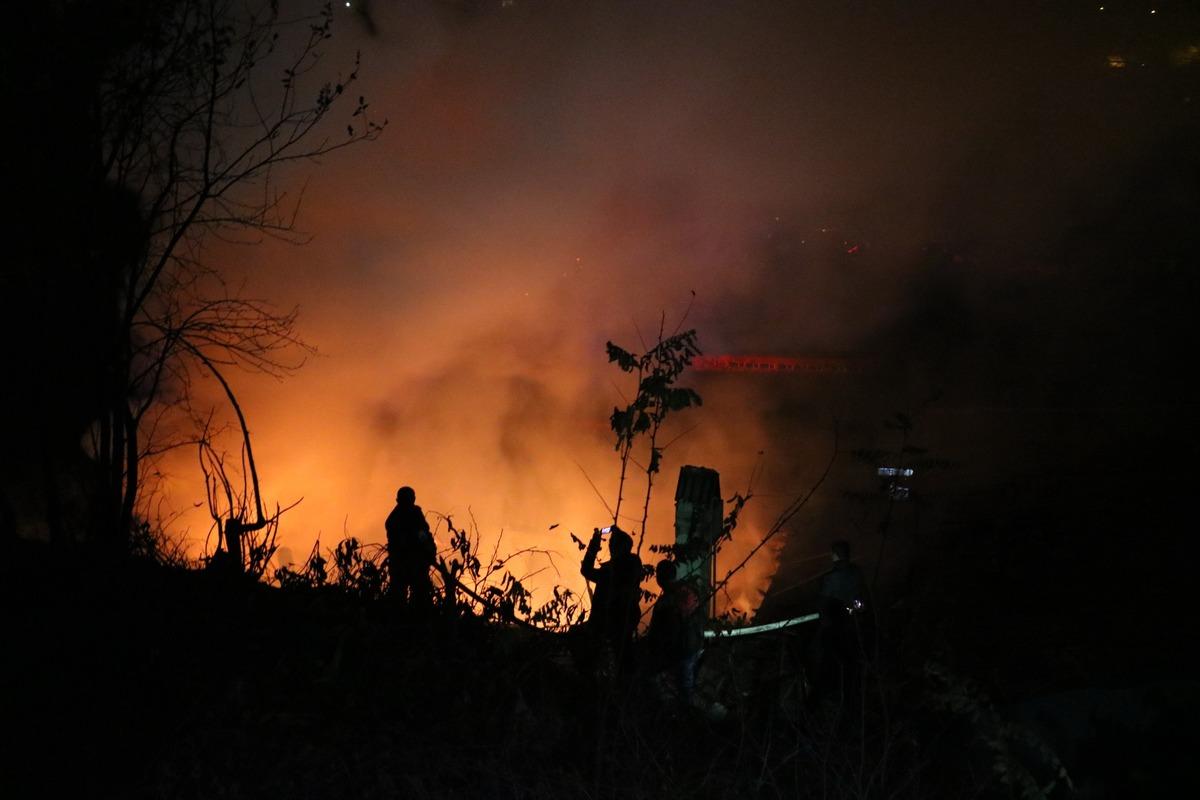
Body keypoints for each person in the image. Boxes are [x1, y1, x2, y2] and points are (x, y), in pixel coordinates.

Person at [809, 539, 870, 703]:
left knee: (826, 661)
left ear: (835, 555)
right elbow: (861, 598)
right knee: (852, 662)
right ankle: (852, 694)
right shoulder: (857, 573)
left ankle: (825, 696)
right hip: (854, 623)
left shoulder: (830, 578)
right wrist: (857, 611)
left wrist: (825, 622)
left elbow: (823, 604)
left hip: (835, 626)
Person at [580, 526, 643, 682]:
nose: (610, 548)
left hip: (609, 621)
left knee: (600, 657)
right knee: (624, 658)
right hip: (625, 620)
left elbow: (586, 570)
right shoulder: (634, 564)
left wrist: (594, 546)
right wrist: (617, 530)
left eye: (612, 545)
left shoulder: (612, 570)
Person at [645, 559, 705, 703]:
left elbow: (661, 632)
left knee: (677, 694)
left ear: (659, 577)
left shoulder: (667, 601)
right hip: (692, 647)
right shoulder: (689, 591)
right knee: (686, 689)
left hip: (677, 653)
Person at [385, 486, 436, 610]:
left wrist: (429, 550)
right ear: (399, 500)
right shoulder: (393, 520)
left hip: (417, 564)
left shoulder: (416, 513)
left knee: (419, 597)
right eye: (405, 499)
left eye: (410, 499)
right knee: (398, 598)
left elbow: (424, 533)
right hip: (401, 564)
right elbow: (399, 540)